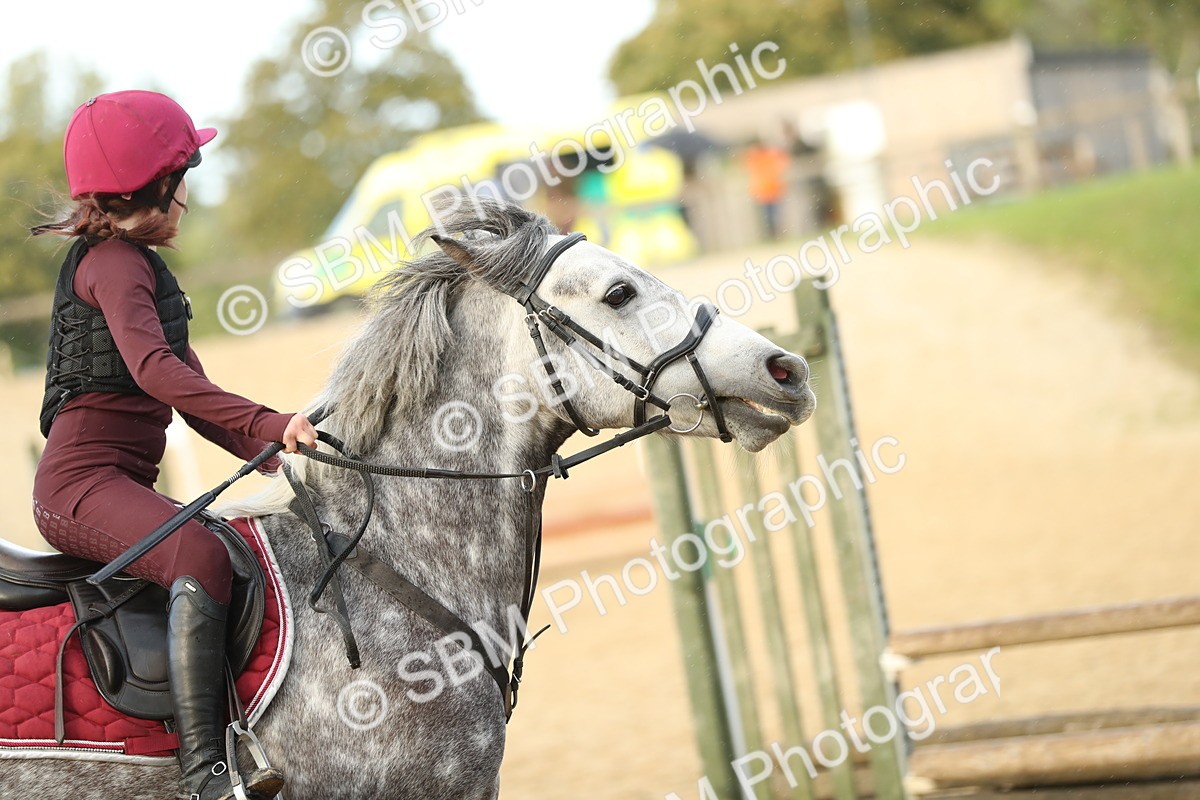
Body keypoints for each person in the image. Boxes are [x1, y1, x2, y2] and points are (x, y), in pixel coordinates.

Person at [30, 90, 316, 800]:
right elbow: (155, 372)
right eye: (183, 175)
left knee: (229, 543)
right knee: (199, 554)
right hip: (77, 489)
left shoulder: (142, 267)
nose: (188, 191)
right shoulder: (114, 264)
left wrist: (283, 452)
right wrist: (271, 419)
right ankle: (204, 773)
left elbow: (190, 394)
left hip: (112, 484)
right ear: (157, 186)